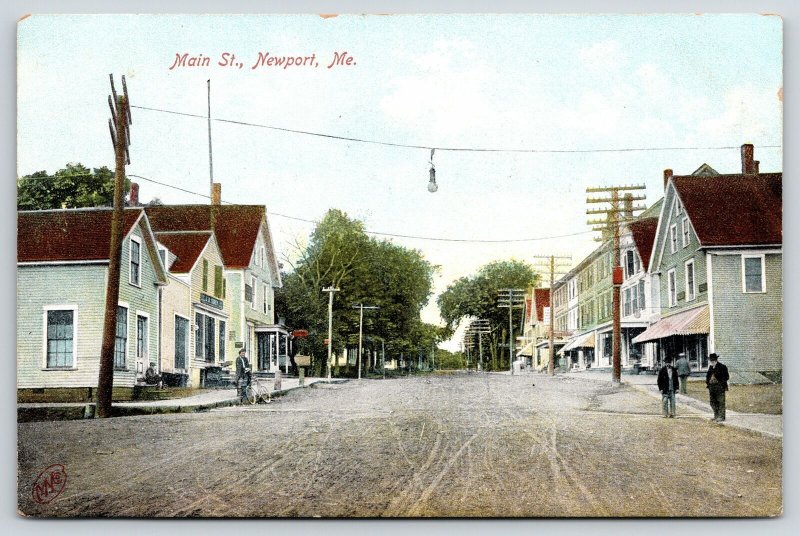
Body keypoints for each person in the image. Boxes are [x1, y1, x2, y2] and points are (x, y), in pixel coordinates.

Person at [706, 353, 729, 422]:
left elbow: (726, 377)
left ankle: (721, 416)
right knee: (712, 402)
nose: (712, 362)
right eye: (711, 361)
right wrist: (708, 383)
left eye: (713, 361)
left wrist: (721, 383)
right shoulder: (710, 367)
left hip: (720, 387)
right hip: (712, 388)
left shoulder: (722, 367)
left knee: (720, 402)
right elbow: (707, 377)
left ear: (716, 360)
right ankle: (716, 415)